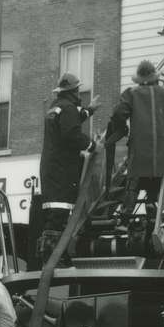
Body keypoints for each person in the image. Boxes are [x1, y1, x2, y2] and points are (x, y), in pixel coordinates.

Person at [109, 60, 164, 248]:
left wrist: (121, 130)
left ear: (140, 79)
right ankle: (152, 210)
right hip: (161, 152)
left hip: (139, 150)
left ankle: (125, 217)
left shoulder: (131, 94)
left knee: (133, 183)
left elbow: (118, 114)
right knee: (155, 188)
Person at [38, 72, 100, 265]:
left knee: (55, 214)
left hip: (51, 169)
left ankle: (52, 255)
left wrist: (89, 111)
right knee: (60, 214)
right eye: (77, 91)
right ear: (73, 91)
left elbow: (69, 121)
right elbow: (71, 133)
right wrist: (92, 146)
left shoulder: (55, 107)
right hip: (62, 170)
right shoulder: (69, 108)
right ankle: (53, 257)